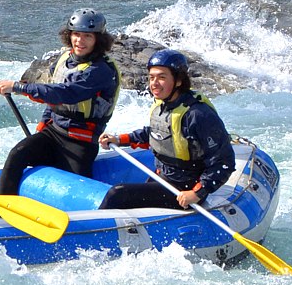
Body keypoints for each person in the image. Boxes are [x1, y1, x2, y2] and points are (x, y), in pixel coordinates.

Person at [0, 8, 120, 194]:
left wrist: (18, 87)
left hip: (80, 143)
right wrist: (44, 123)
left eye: (87, 36)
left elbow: (65, 93)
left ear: (98, 40)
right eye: (76, 34)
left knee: (72, 190)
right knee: (17, 154)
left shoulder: (101, 70)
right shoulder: (65, 59)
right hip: (54, 133)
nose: (80, 41)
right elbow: (53, 96)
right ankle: (1, 209)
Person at [98, 49, 235, 210]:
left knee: (117, 193)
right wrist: (120, 140)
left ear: (178, 81)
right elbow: (156, 133)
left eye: (162, 77)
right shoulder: (163, 105)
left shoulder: (199, 115)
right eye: (151, 77)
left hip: (185, 189)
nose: (154, 83)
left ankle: (90, 233)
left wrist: (198, 193)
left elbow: (224, 162)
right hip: (163, 178)